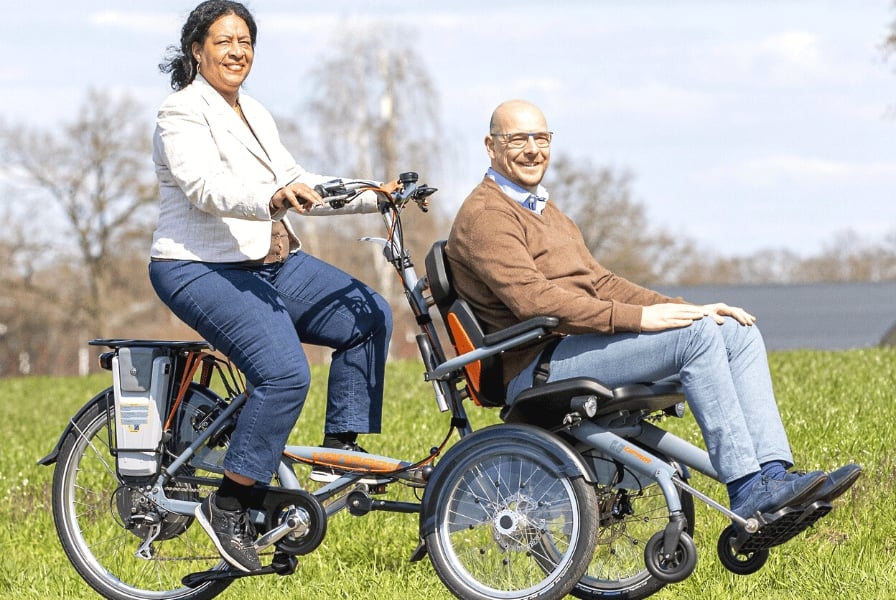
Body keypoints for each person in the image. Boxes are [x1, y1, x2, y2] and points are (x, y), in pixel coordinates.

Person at [446, 99, 861, 529]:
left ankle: (775, 477)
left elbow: (602, 283)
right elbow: (536, 303)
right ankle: (748, 490)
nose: (533, 149)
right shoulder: (486, 216)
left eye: (541, 138)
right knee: (696, 337)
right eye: (518, 139)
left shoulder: (548, 213)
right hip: (537, 364)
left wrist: (684, 309)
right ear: (491, 146)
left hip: (575, 347)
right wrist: (639, 320)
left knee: (734, 330)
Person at [150, 1, 393, 572]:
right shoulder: (179, 112)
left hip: (266, 261)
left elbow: (299, 184)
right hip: (199, 267)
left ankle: (338, 456)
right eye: (224, 41)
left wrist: (372, 196)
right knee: (283, 373)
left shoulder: (254, 112)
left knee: (368, 314)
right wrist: (268, 200)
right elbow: (204, 186)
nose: (238, 52)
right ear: (197, 50)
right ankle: (230, 504)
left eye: (246, 42)